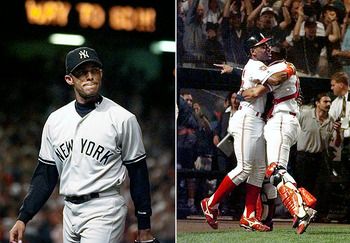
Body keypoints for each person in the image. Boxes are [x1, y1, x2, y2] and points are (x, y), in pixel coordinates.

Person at [9, 47, 158, 243]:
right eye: (81, 72)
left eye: (94, 70)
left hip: (105, 207)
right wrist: (23, 217)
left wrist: (144, 226)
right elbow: (45, 176)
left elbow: (138, 173)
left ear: (101, 74)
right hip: (69, 210)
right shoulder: (55, 120)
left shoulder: (123, 119)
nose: (89, 76)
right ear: (69, 79)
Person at [200, 33, 273, 232]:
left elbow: (256, 75)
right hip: (247, 120)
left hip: (257, 120)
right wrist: (289, 70)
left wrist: (234, 70)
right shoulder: (256, 66)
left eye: (267, 45)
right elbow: (274, 79)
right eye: (262, 46)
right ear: (252, 51)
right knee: (244, 168)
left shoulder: (254, 66)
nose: (267, 48)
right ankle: (211, 202)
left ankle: (248, 216)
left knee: (258, 170)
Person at [241, 58, 317, 234]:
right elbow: (266, 85)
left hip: (282, 120)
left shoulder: (283, 67)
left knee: (276, 171)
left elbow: (255, 91)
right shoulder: (282, 74)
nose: (266, 67)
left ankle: (302, 209)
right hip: (283, 120)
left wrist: (241, 92)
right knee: (274, 173)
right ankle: (297, 210)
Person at [295, 93, 341, 222]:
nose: (328, 104)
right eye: (325, 101)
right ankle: (302, 213)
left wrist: (337, 131)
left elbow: (336, 144)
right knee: (304, 186)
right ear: (317, 103)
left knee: (322, 186)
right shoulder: (305, 115)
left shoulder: (331, 120)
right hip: (304, 156)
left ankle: (320, 214)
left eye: (329, 102)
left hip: (320, 156)